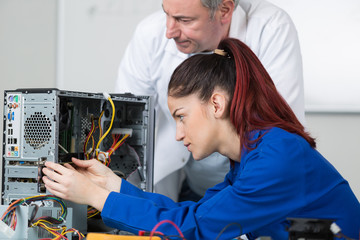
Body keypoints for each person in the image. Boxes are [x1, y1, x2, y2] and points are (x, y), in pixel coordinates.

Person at [43, 38, 360, 240]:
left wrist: (97, 198)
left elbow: (194, 228)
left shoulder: (275, 159)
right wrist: (112, 186)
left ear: (217, 104)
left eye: (181, 116)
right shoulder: (253, 156)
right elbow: (195, 215)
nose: (179, 134)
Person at [115, 0, 306, 201]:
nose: (169, 32)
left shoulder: (271, 28)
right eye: (166, 14)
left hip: (254, 186)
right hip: (186, 185)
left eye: (184, 20)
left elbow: (279, 132)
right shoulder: (150, 33)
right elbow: (127, 122)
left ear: (224, 11)